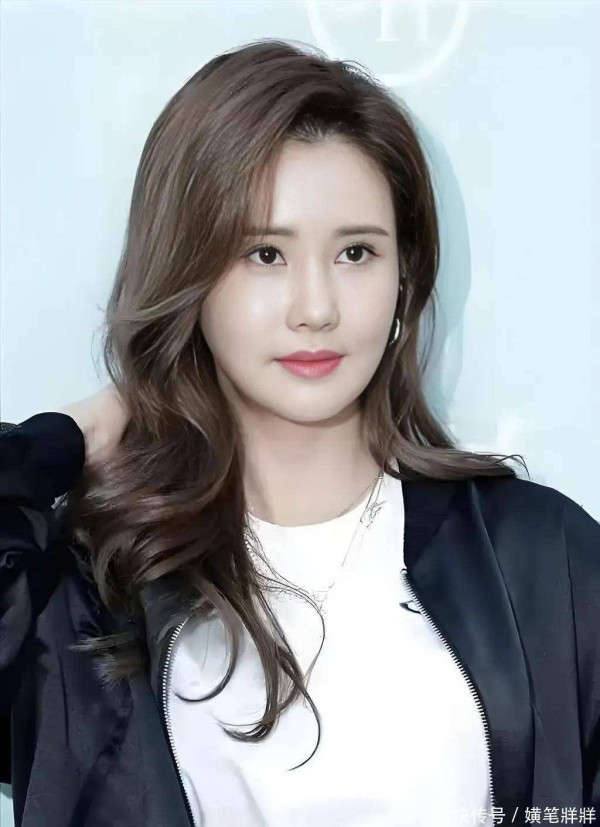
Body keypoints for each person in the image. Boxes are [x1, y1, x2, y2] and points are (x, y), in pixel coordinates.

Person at [1, 38, 599, 827]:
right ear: (188, 275)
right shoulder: (95, 587)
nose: (315, 307)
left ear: (404, 276)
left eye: (355, 252)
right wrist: (67, 435)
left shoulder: (540, 556)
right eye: (264, 254)